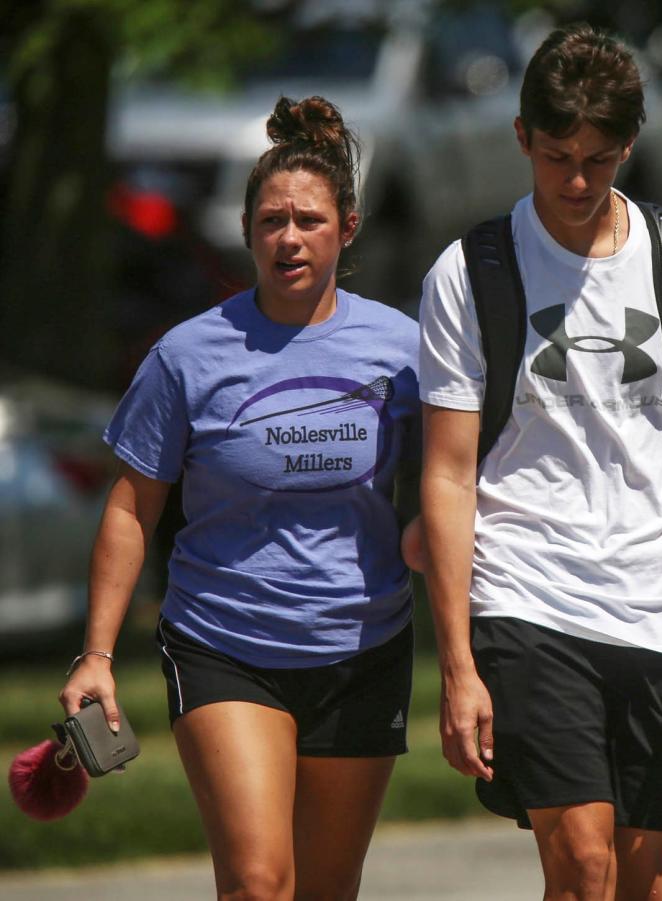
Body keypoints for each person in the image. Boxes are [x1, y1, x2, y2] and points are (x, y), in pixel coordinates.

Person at [409, 24, 662, 901]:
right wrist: (457, 663)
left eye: (600, 159)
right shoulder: (472, 272)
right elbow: (449, 474)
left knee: (650, 884)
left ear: (630, 146)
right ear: (522, 137)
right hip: (529, 595)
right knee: (583, 868)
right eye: (558, 155)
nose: (577, 181)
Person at [59, 96, 421, 900]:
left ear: (348, 228)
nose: (289, 237)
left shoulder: (402, 351)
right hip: (225, 642)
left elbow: (449, 484)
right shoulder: (188, 354)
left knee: (326, 889)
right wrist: (96, 652)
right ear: (249, 229)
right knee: (259, 883)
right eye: (270, 221)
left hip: (363, 647)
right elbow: (131, 506)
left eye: (309, 220)